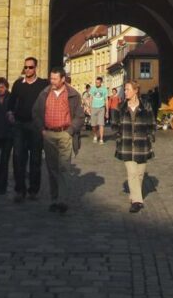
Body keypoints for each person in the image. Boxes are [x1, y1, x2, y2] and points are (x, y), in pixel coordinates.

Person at [32, 66, 85, 214]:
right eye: (51, 78)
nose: (52, 81)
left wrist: (70, 131)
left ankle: (62, 200)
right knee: (52, 168)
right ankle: (54, 199)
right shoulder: (44, 93)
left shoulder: (73, 94)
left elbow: (80, 116)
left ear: (63, 79)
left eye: (55, 79)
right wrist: (42, 129)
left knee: (64, 167)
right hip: (48, 134)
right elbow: (35, 112)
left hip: (64, 134)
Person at [7, 57, 48, 202]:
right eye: (26, 67)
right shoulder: (18, 84)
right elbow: (10, 103)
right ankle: (20, 190)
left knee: (36, 158)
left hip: (36, 125)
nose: (28, 70)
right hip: (20, 124)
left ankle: (33, 190)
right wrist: (10, 113)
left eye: (30, 67)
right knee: (18, 157)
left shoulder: (43, 84)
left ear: (35, 68)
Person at [112, 80, 155, 212]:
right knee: (132, 173)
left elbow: (152, 124)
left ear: (136, 90)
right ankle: (137, 201)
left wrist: (149, 137)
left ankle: (134, 195)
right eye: (125, 90)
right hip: (126, 144)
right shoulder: (120, 107)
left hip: (142, 144)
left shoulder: (146, 106)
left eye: (128, 89)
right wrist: (119, 137)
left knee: (140, 174)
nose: (125, 92)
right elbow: (115, 125)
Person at [90, 75, 108, 144]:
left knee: (101, 124)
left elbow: (106, 100)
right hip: (94, 107)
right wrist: (90, 107)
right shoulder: (93, 89)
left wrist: (107, 111)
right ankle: (95, 135)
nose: (97, 84)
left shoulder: (104, 89)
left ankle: (101, 139)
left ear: (101, 83)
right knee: (93, 125)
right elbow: (91, 98)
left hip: (101, 108)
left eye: (98, 83)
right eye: (96, 82)